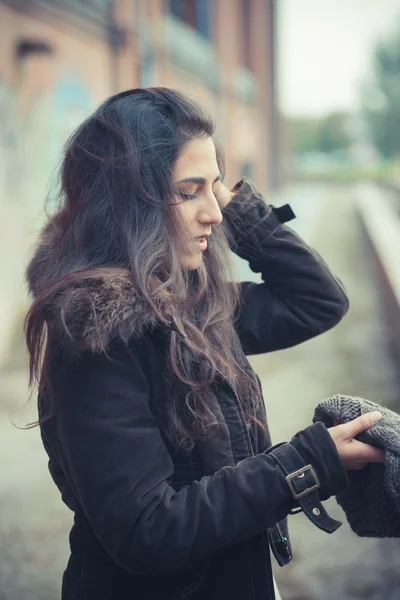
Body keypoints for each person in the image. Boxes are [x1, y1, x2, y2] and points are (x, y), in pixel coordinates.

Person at [25, 88, 384, 600]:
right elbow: (146, 530)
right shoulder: (94, 335)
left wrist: (236, 208)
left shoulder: (193, 303)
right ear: (129, 204)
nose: (214, 213)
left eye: (215, 187)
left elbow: (317, 300)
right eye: (188, 190)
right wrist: (307, 462)